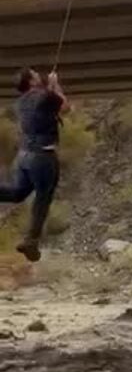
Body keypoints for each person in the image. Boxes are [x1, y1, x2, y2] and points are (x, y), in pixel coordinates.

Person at [0, 68, 69, 263]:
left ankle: (31, 240)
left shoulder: (19, 103)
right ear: (31, 81)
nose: (39, 75)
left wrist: (50, 90)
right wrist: (55, 85)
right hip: (43, 156)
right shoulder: (44, 96)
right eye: (35, 74)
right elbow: (65, 107)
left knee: (17, 193)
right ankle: (31, 240)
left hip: (24, 156)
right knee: (43, 198)